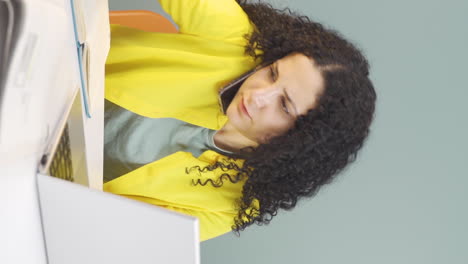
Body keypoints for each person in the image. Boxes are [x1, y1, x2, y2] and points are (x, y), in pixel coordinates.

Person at [104, 0, 376, 242]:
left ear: (300, 141)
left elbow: (129, 236)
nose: (258, 95)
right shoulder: (238, 40)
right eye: (272, 73)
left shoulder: (238, 201)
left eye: (283, 105)